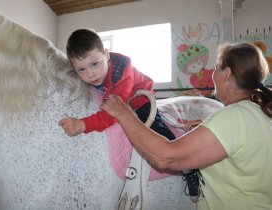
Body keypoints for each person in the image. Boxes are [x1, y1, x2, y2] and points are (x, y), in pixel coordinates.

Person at [101, 42, 272, 209]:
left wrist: (124, 114)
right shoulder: (259, 112)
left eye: (215, 67)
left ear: (227, 73)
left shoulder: (235, 117)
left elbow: (166, 157)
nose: (212, 73)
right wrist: (210, 131)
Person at [58, 28, 201, 201]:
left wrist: (83, 124)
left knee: (156, 129)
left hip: (139, 98)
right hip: (113, 93)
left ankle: (187, 167)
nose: (89, 74)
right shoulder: (94, 75)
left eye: (94, 64)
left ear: (106, 54)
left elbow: (114, 113)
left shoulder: (121, 73)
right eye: (81, 69)